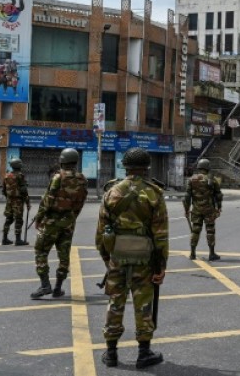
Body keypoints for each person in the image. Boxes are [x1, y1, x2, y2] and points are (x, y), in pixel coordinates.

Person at [96, 147, 169, 369]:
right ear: (147, 167)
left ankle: (110, 353)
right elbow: (161, 236)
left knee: (115, 302)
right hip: (144, 259)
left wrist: (108, 258)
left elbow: (101, 234)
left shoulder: (111, 192)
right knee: (143, 303)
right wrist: (160, 267)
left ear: (125, 166)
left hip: (117, 255)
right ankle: (144, 353)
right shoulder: (154, 193)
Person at [31, 148, 88, 299]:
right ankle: (57, 288)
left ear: (62, 160)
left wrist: (39, 218)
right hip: (69, 223)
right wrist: (72, 217)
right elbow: (81, 202)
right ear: (75, 161)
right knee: (64, 255)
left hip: (51, 222)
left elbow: (47, 200)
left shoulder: (58, 177)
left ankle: (45, 285)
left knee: (41, 251)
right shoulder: (82, 179)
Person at [183, 158, 222, 261]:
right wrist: (219, 207)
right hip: (209, 210)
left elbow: (187, 196)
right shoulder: (212, 180)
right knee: (210, 231)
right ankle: (212, 253)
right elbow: (218, 195)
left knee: (195, 231)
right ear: (207, 167)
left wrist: (186, 209)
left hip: (196, 210)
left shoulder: (191, 180)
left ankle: (192, 253)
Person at [2, 158, 31, 246]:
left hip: (9, 201)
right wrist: (28, 203)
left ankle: (4, 238)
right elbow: (23, 190)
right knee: (18, 220)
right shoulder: (20, 176)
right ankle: (18, 240)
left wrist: (9, 198)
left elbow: (3, 190)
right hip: (18, 201)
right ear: (18, 165)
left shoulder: (7, 176)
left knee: (8, 219)